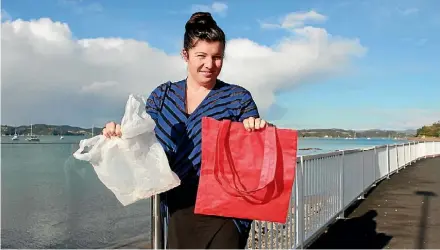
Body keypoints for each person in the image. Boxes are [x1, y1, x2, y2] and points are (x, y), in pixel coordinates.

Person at [103, 12, 270, 249]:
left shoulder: (237, 98)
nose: (210, 65)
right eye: (201, 56)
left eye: (217, 57)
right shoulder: (163, 96)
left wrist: (258, 127)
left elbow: (258, 147)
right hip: (176, 206)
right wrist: (119, 133)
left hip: (227, 209)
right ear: (185, 55)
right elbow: (141, 138)